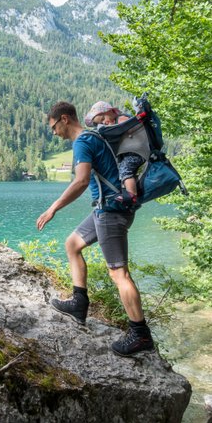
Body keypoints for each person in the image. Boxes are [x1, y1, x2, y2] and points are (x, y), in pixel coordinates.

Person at [36, 101, 154, 356]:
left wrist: (53, 207)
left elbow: (81, 181)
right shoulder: (94, 135)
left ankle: (140, 334)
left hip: (110, 213)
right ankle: (79, 302)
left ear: (65, 119)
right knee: (72, 244)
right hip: (106, 209)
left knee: (119, 274)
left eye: (54, 126)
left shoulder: (83, 142)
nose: (54, 132)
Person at [84, 101, 146, 209]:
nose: (105, 123)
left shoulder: (122, 119)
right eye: (102, 123)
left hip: (137, 151)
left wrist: (115, 126)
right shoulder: (115, 122)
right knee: (122, 170)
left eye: (103, 119)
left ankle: (132, 197)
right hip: (132, 151)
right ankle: (127, 191)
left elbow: (127, 126)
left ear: (110, 111)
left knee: (126, 170)